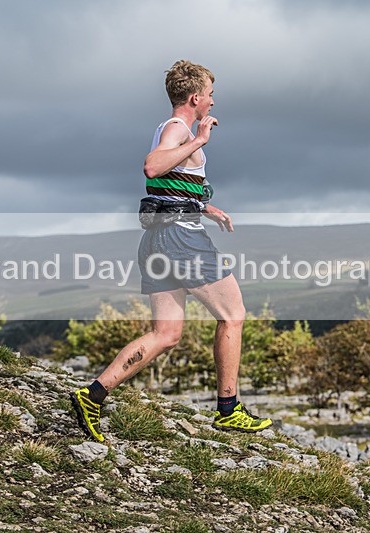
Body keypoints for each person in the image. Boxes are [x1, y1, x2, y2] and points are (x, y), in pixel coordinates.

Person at [70, 60, 272, 442]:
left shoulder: (169, 129)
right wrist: (199, 140)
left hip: (158, 238)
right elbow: (152, 167)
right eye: (210, 95)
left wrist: (206, 207)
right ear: (195, 98)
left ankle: (92, 395)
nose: (213, 102)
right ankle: (229, 411)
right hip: (181, 239)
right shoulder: (180, 129)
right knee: (233, 316)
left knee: (166, 333)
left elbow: (171, 183)